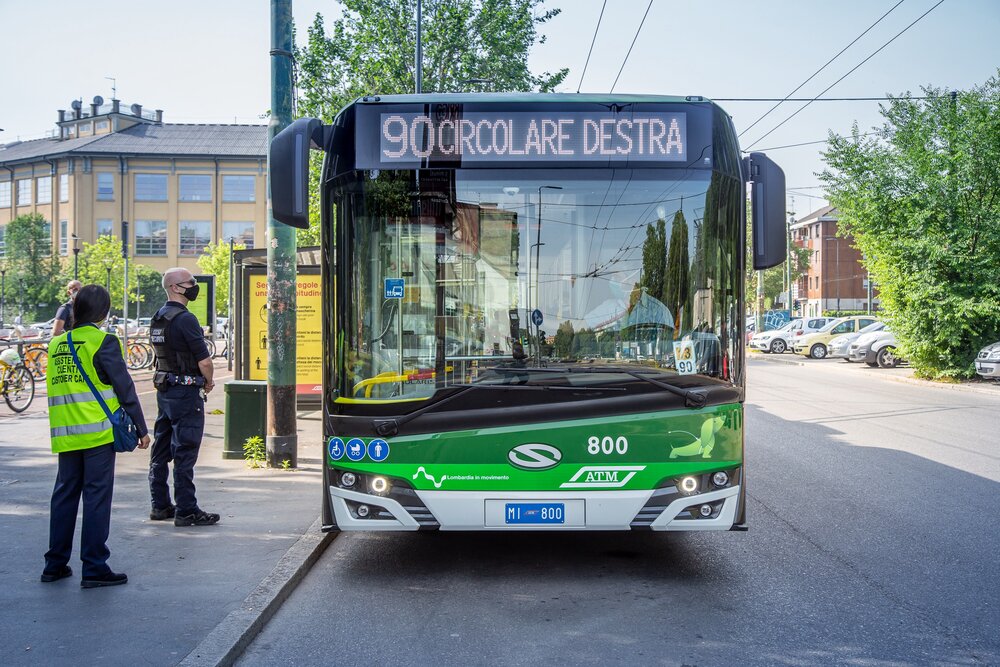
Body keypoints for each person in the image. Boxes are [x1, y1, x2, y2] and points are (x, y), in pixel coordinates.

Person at [43, 284, 150, 588]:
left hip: (66, 434)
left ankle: (54, 564)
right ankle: (94, 566)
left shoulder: (56, 345)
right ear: (103, 312)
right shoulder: (103, 341)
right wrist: (142, 429)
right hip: (98, 433)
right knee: (96, 498)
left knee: (64, 496)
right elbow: (124, 387)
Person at [148, 268, 219, 527]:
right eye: (190, 282)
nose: (194, 286)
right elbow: (205, 361)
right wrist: (209, 382)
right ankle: (187, 510)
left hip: (165, 390)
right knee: (185, 451)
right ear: (176, 287)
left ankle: (160, 504)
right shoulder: (185, 319)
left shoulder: (158, 317)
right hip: (186, 392)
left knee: (161, 449)